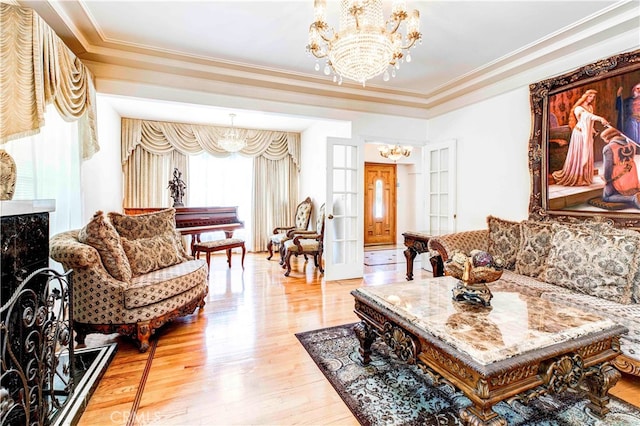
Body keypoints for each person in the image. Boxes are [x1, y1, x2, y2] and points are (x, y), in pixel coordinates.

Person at [552, 89, 609, 186]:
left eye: (593, 97)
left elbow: (590, 121)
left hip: (587, 134)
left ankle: (584, 176)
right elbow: (587, 117)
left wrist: (593, 131)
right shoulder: (578, 108)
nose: (591, 99)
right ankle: (576, 176)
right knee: (580, 154)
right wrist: (600, 118)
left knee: (586, 154)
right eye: (589, 96)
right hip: (579, 134)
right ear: (585, 96)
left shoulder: (590, 107)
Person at [600, 127, 640, 209]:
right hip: (631, 176)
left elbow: (608, 169)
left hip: (617, 176)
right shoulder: (632, 143)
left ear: (608, 138)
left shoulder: (609, 148)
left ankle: (632, 198)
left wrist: (606, 180)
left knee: (606, 197)